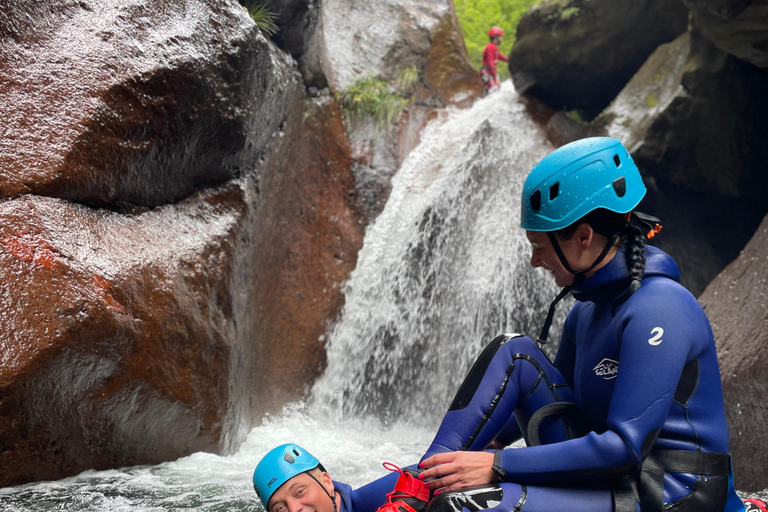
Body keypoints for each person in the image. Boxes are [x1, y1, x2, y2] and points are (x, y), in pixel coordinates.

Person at [380, 137, 745, 512]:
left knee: (465, 504)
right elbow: (553, 405)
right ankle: (409, 493)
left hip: (670, 492)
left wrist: (497, 466)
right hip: (611, 479)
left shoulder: (661, 308)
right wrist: (479, 448)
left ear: (583, 237)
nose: (535, 261)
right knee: (516, 351)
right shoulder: (584, 311)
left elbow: (624, 448)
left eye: (539, 246)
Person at [253, 443, 429, 512]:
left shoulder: (384, 495)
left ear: (327, 483)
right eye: (280, 509)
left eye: (299, 491)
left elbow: (439, 470)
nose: (293, 509)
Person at [480, 27, 508, 95]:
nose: (502, 38)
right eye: (500, 36)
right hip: (487, 73)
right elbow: (490, 63)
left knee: (495, 91)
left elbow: (503, 58)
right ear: (495, 37)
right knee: (494, 91)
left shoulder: (494, 47)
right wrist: (496, 77)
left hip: (490, 73)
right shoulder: (490, 47)